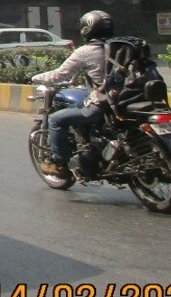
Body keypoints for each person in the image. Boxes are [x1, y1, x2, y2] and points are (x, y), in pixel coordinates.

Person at [29, 10, 114, 178]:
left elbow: (60, 75)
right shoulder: (122, 46)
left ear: (86, 29)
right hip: (130, 100)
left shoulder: (87, 51)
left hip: (105, 103)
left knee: (56, 119)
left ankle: (59, 164)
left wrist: (34, 77)